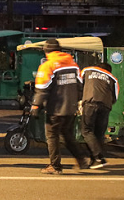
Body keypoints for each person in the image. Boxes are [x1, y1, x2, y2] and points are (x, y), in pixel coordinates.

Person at [31, 39, 90, 175]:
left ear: (46, 51)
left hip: (55, 108)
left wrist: (36, 106)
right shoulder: (73, 64)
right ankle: (81, 160)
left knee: (52, 136)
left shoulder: (48, 65)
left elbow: (42, 89)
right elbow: (80, 86)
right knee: (67, 135)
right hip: (71, 108)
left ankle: (55, 166)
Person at [80, 62, 118, 169]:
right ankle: (95, 161)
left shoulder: (87, 70)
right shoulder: (112, 79)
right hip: (105, 107)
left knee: (86, 131)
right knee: (98, 134)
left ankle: (98, 157)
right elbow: (115, 97)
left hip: (90, 103)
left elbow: (79, 84)